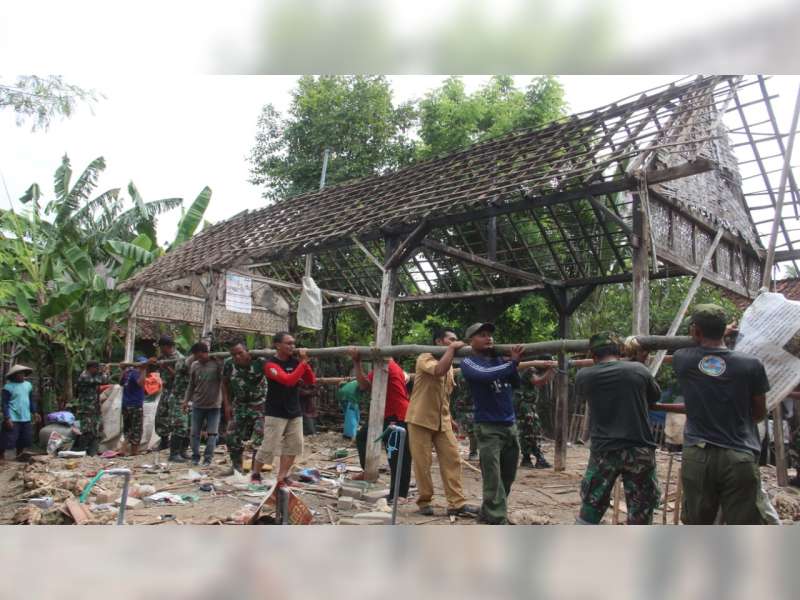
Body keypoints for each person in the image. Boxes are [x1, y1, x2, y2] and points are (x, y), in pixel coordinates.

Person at [673, 304, 770, 525]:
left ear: (695, 331)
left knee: (697, 525)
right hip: (739, 455)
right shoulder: (752, 365)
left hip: (698, 456)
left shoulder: (682, 359)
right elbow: (759, 412)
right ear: (722, 330)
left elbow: (697, 345)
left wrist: (713, 333)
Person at [574, 332, 662, 525]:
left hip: (603, 451)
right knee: (641, 508)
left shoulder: (584, 376)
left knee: (591, 504)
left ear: (593, 354)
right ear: (620, 351)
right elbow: (653, 396)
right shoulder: (638, 370)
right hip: (639, 449)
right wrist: (637, 362)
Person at [406, 328, 480, 517]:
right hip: (419, 419)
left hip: (442, 421)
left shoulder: (450, 368)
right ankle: (424, 501)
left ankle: (456, 503)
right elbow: (438, 371)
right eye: (451, 340)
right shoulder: (425, 357)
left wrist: (451, 419)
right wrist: (453, 349)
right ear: (439, 342)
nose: (456, 342)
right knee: (423, 463)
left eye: (456, 340)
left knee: (453, 458)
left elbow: (443, 397)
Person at [460, 322, 524, 525]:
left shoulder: (499, 360)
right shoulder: (469, 362)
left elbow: (516, 383)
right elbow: (486, 375)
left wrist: (512, 364)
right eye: (483, 335)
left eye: (490, 335)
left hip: (509, 425)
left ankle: (489, 512)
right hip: (488, 427)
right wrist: (511, 363)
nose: (489, 338)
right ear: (471, 341)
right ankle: (497, 519)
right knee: (493, 476)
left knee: (508, 475)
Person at [251, 332, 316, 486]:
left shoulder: (296, 362)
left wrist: (303, 363)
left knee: (294, 445)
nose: (292, 346)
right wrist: (303, 363)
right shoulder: (270, 365)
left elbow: (310, 380)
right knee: (269, 446)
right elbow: (288, 380)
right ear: (277, 345)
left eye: (293, 343)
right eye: (288, 343)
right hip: (275, 411)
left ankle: (282, 477)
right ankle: (256, 473)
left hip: (294, 410)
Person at [350, 350, 413, 503]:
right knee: (363, 437)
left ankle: (399, 494)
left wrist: (356, 363)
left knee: (398, 456)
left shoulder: (386, 367)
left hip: (397, 415)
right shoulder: (387, 366)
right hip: (385, 414)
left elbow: (363, 385)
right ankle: (370, 472)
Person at [222, 340, 267, 472]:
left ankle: (255, 470)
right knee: (231, 435)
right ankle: (237, 467)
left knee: (259, 437)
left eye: (240, 353)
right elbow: (224, 384)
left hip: (260, 404)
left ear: (247, 351)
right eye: (234, 354)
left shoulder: (260, 361)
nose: (237, 357)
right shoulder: (229, 364)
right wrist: (227, 405)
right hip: (240, 404)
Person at [183, 341, 224, 466]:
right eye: (196, 356)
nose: (198, 358)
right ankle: (195, 457)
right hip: (198, 405)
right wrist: (186, 400)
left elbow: (224, 379)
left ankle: (208, 458)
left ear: (206, 353)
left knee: (212, 434)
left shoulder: (217, 364)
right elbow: (191, 385)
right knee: (194, 433)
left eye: (200, 356)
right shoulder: (195, 365)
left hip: (214, 406)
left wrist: (219, 362)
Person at [514, 365, 555, 469]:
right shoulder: (530, 369)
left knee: (530, 433)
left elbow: (542, 381)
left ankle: (529, 459)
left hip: (527, 408)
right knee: (530, 433)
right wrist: (551, 369)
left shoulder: (530, 370)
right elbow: (538, 381)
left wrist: (551, 371)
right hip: (525, 408)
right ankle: (536, 458)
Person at [72, 361, 111, 456]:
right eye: (96, 368)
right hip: (86, 409)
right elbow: (103, 380)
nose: (97, 370)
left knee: (96, 431)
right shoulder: (85, 377)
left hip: (94, 408)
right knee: (87, 431)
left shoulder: (91, 376)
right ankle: (81, 452)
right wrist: (105, 372)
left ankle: (92, 453)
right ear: (91, 368)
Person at [2, 364, 39, 459]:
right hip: (13, 416)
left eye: (23, 373)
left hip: (25, 416)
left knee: (24, 438)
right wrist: (7, 418)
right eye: (19, 374)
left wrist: (34, 412)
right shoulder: (8, 387)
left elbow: (30, 400)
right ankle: (2, 456)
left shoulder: (28, 385)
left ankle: (19, 456)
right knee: (9, 438)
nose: (21, 375)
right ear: (14, 375)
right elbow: (5, 403)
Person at [155, 335, 184, 451]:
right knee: (161, 417)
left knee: (175, 418)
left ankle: (178, 446)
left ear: (167, 346)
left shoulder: (179, 357)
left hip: (176, 391)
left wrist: (166, 367)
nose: (160, 350)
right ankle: (164, 441)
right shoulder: (162, 357)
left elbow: (179, 376)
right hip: (166, 390)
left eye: (162, 347)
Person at [120, 357, 148, 456]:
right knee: (136, 429)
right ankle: (134, 452)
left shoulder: (128, 372)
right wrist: (144, 370)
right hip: (135, 405)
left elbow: (121, 382)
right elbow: (140, 383)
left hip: (126, 404)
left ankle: (123, 450)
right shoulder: (137, 373)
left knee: (127, 428)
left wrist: (123, 370)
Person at [451, 371, 478, 460]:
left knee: (472, 431)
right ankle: (472, 452)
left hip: (472, 406)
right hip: (462, 406)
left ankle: (473, 452)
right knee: (466, 430)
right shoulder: (460, 374)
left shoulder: (475, 374)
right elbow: (455, 391)